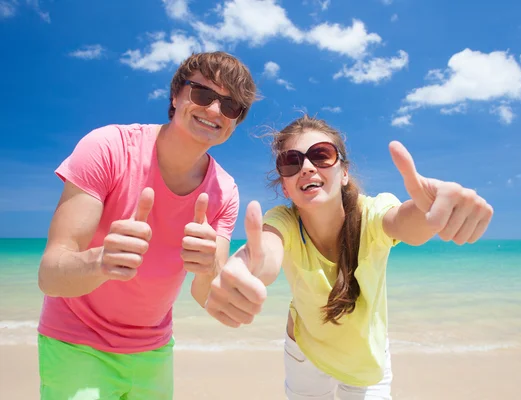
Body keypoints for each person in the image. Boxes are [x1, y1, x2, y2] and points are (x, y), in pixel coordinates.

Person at [205, 115, 494, 399]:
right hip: (305, 354)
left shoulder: (371, 213)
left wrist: (429, 212)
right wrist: (248, 267)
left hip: (366, 358)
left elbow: (405, 225)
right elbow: (266, 252)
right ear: (285, 185)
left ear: (344, 173)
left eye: (321, 155)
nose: (306, 167)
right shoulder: (284, 221)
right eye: (291, 162)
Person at [36, 51, 257, 399]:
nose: (215, 111)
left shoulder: (225, 191)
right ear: (175, 96)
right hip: (75, 341)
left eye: (231, 107)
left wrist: (217, 278)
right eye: (202, 94)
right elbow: (50, 275)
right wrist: (100, 260)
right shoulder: (108, 148)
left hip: (153, 349)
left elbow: (204, 292)